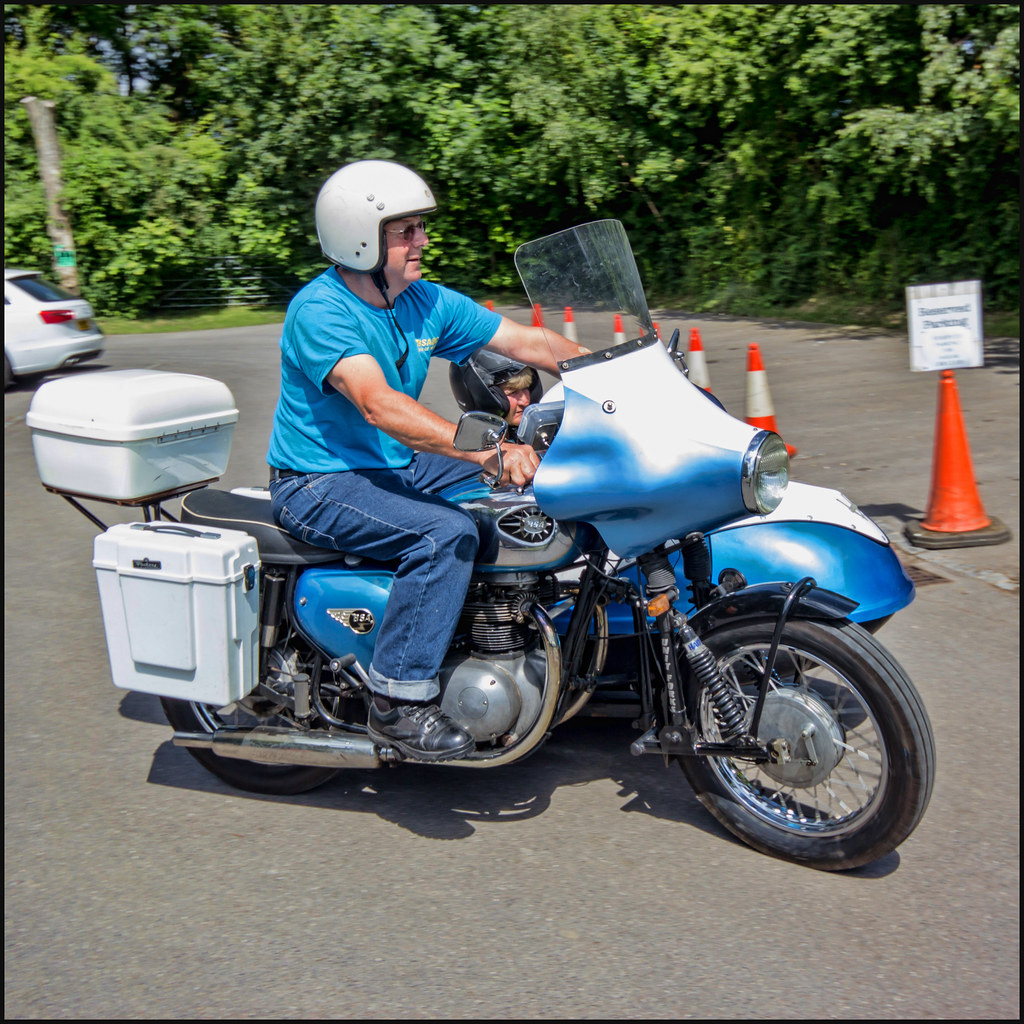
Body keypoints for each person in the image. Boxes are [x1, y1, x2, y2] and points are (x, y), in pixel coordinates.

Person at [266, 159, 586, 762]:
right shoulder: (321, 310)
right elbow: (379, 405)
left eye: (420, 227)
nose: (423, 240)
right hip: (316, 480)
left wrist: (616, 369)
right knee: (446, 533)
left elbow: (523, 341)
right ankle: (397, 701)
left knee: (533, 496)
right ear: (359, 235)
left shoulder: (422, 300)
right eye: (405, 229)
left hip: (391, 467)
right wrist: (490, 453)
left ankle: (500, 636)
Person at [449, 349, 543, 440]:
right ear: (482, 397)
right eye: (513, 392)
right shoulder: (464, 453)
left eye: (527, 388)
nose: (525, 401)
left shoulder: (541, 437)